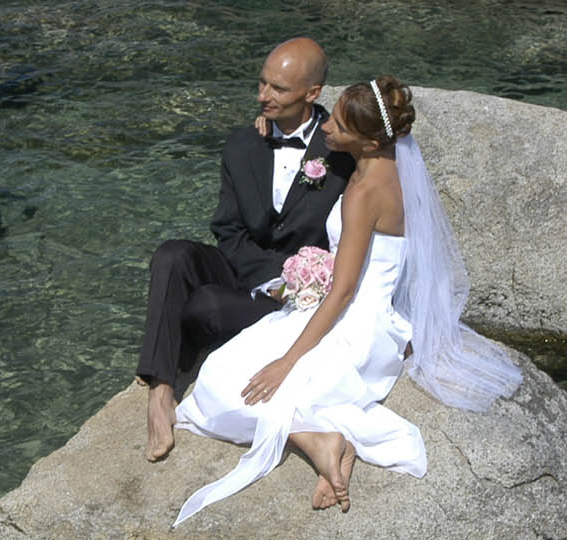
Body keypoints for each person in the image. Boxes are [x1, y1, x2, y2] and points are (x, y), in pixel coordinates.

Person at [171, 76, 524, 526]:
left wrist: (287, 360)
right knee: (222, 374)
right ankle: (318, 440)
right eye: (331, 117)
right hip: (357, 311)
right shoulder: (385, 166)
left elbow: (343, 290)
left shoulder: (363, 193)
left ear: (371, 139)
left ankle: (318, 441)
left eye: (338, 125)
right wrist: (267, 120)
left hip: (355, 325)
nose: (327, 131)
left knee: (229, 391)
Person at [136, 37, 356, 462]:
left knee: (204, 307)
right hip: (247, 270)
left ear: (312, 94)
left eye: (277, 89)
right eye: (261, 84)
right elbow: (227, 229)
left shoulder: (340, 149)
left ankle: (194, 344)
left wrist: (289, 283)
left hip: (300, 295)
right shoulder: (242, 143)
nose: (262, 96)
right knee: (171, 256)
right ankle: (160, 392)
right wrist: (264, 278)